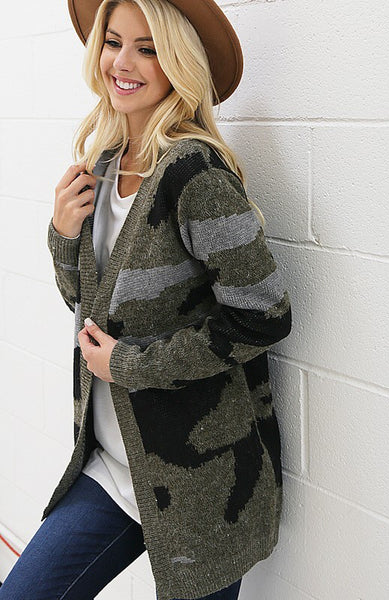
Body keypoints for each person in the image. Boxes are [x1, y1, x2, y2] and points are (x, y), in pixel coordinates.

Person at [0, 1, 292, 599]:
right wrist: (63, 233)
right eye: (113, 42)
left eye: (148, 48)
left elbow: (264, 318)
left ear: (178, 61)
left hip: (199, 484)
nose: (122, 63)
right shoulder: (103, 165)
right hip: (112, 466)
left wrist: (128, 365)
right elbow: (84, 304)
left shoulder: (194, 173)